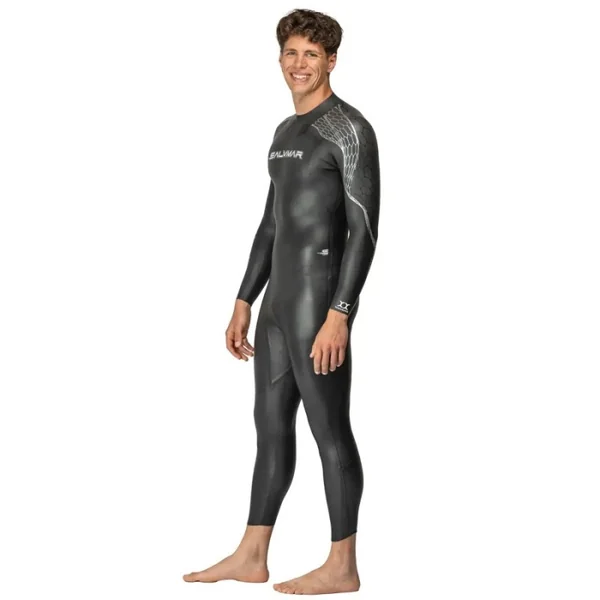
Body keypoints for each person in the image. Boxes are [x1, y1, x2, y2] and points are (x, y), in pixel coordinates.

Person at [183, 8, 380, 595]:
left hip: (318, 306)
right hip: (275, 308)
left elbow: (365, 229)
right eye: (291, 53)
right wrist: (244, 299)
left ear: (332, 61)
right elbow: (272, 223)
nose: (299, 64)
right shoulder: (284, 133)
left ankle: (342, 565)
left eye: (311, 55)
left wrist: (340, 314)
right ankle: (252, 554)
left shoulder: (350, 128)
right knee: (269, 428)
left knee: (329, 429)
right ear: (279, 58)